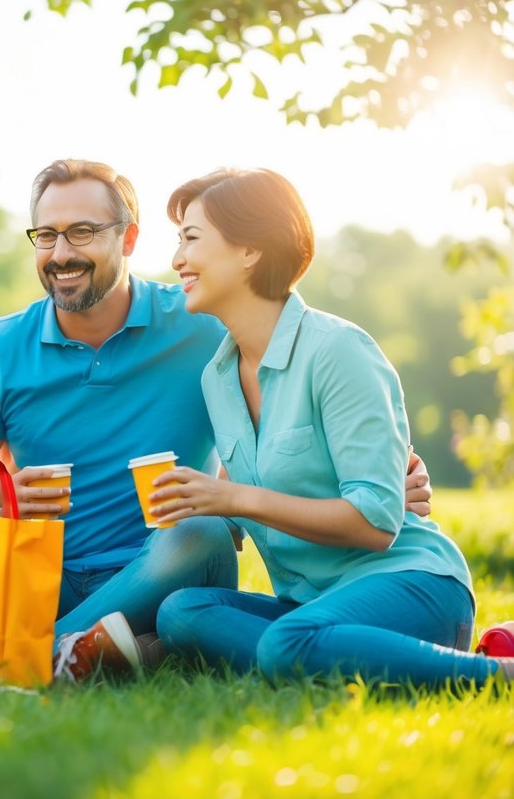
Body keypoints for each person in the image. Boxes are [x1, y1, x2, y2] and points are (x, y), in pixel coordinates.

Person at [0, 159, 434, 683]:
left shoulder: (201, 323)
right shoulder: (0, 347)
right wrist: (1, 493)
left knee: (204, 534)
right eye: (45, 236)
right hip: (36, 572)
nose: (61, 253)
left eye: (82, 232)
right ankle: (68, 656)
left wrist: (390, 470)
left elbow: (302, 363)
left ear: (128, 239)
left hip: (155, 568)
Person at [147, 167, 513, 684]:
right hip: (312, 606)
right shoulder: (218, 377)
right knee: (182, 612)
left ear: (249, 249)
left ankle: (491, 674)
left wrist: (231, 500)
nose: (177, 259)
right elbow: (238, 503)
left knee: (286, 641)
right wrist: (192, 504)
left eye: (191, 238)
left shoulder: (337, 350)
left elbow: (376, 523)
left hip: (410, 584)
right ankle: (328, 657)